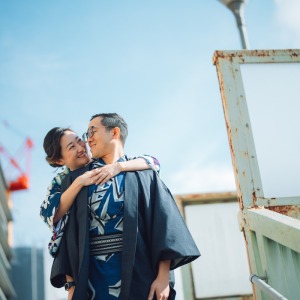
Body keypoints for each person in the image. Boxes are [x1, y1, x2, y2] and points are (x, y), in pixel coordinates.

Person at [50, 113, 200, 300]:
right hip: (91, 279)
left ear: (114, 132)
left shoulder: (145, 174)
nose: (88, 140)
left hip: (140, 272)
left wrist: (163, 278)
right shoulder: (76, 180)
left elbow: (163, 226)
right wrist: (71, 285)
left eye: (92, 132)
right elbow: (68, 233)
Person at [40, 127, 161, 257]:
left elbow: (153, 162)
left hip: (133, 249)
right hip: (87, 258)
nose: (81, 148)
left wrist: (118, 167)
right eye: (71, 147)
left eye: (79, 140)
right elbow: (49, 214)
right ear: (60, 160)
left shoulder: (108, 162)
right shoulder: (60, 182)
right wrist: (79, 182)